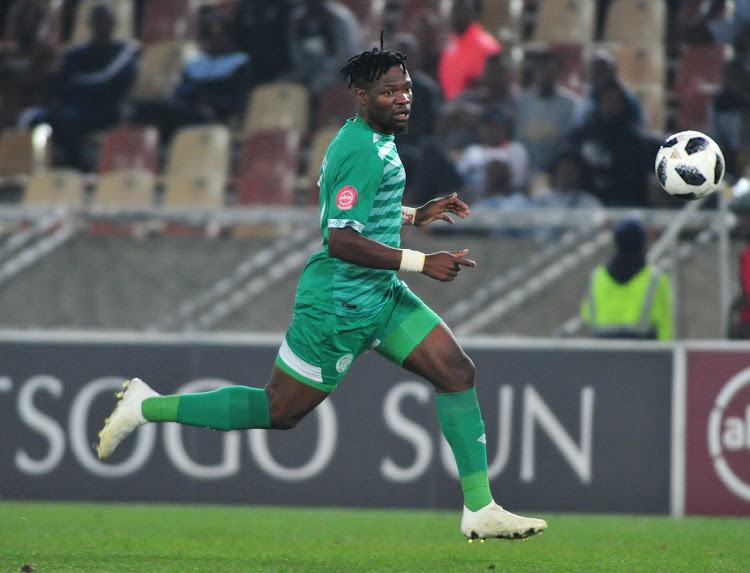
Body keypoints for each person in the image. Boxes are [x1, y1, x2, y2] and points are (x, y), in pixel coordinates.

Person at [97, 41, 547, 542]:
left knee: (456, 371)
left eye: (407, 89)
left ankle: (479, 508)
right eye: (388, 91)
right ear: (361, 95)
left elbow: (353, 211)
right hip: (337, 305)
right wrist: (422, 261)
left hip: (378, 295)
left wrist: (415, 215)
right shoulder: (359, 150)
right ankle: (145, 406)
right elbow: (340, 239)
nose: (402, 99)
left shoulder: (371, 140)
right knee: (279, 411)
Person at [23, 2, 139, 171]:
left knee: (66, 120)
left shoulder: (123, 53)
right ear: (90, 24)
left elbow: (111, 86)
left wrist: (76, 86)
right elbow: (58, 85)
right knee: (34, 119)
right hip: (72, 108)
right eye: (97, 20)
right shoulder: (76, 54)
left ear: (114, 23)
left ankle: (78, 167)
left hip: (103, 110)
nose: (101, 25)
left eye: (105, 20)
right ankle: (37, 169)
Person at [130, 11, 252, 142]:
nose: (214, 42)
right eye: (209, 38)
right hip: (188, 109)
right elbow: (180, 92)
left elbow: (239, 100)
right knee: (146, 108)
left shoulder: (240, 63)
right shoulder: (195, 64)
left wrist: (213, 103)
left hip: (215, 116)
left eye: (220, 38)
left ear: (229, 39)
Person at [581, 218, 673, 340]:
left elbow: (588, 315)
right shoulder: (655, 279)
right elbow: (667, 325)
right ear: (642, 241)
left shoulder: (597, 277)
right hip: (645, 353)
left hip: (603, 351)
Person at [515, 50, 582, 178]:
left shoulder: (571, 104)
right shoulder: (523, 100)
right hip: (525, 169)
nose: (545, 75)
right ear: (535, 73)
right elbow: (518, 138)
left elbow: (569, 144)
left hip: (556, 172)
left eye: (550, 71)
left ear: (558, 74)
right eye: (542, 70)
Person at [438, 0, 501, 101]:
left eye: (461, 10)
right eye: (453, 10)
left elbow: (492, 87)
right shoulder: (449, 43)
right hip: (448, 108)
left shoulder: (487, 47)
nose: (455, 15)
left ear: (473, 13)